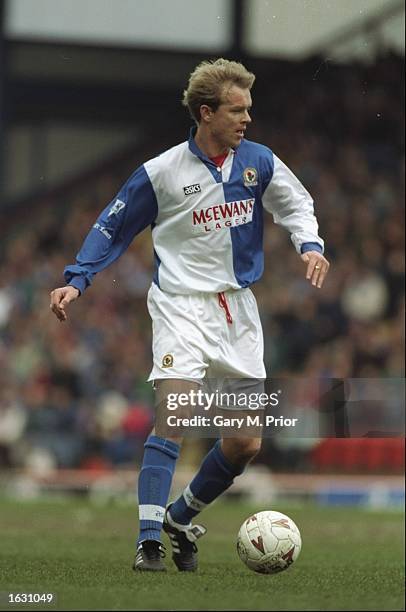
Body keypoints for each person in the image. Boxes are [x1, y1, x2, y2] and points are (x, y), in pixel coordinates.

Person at [50, 58, 329, 572]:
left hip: (238, 311)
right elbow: (111, 227)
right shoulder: (161, 174)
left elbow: (296, 203)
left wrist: (309, 244)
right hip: (180, 305)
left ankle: (179, 519)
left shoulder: (258, 161)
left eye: (248, 108)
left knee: (244, 443)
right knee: (176, 413)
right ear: (206, 113)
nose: (247, 118)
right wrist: (77, 279)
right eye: (236, 109)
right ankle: (149, 539)